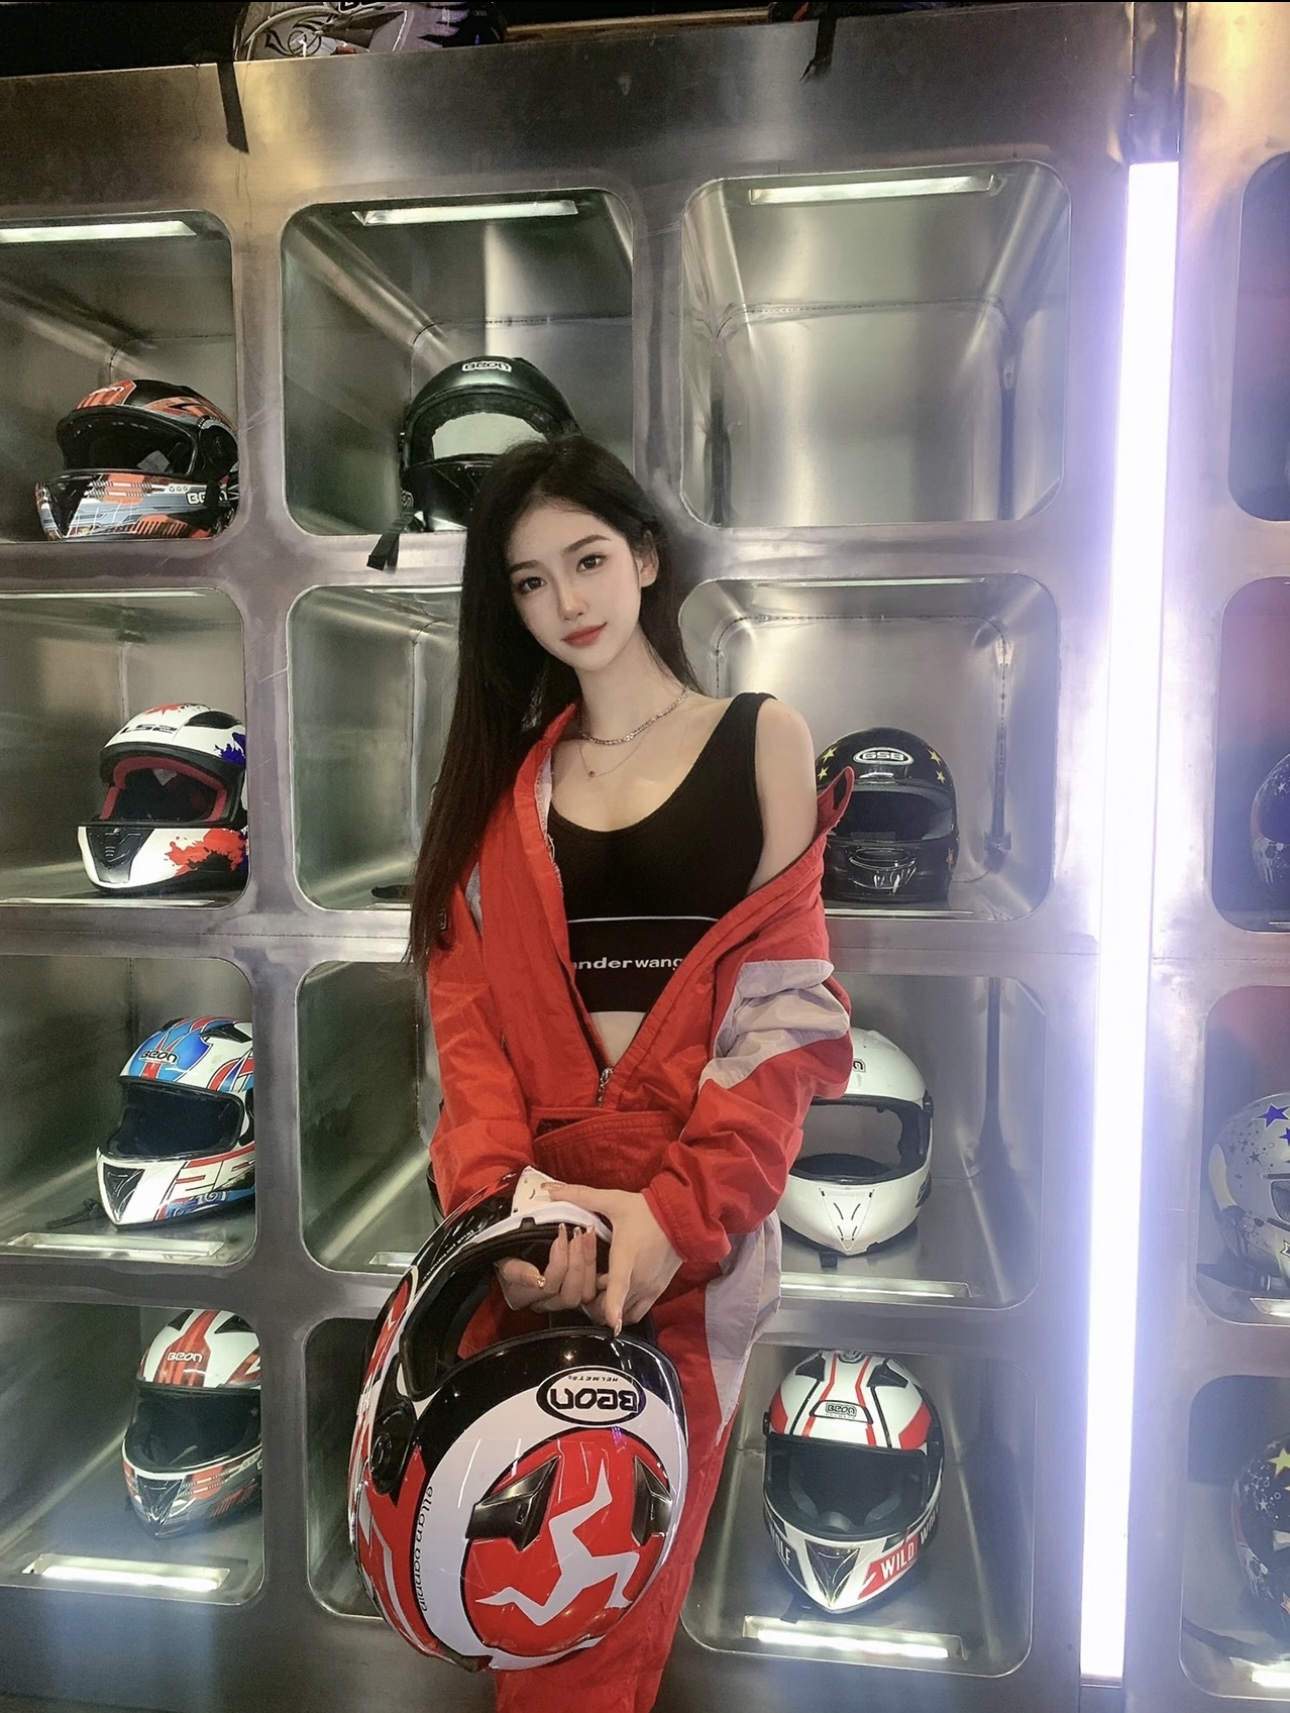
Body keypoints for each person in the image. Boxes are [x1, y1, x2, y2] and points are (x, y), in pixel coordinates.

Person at [409, 435, 854, 1713]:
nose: (567, 601)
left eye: (589, 559)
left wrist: (671, 1220)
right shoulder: (504, 790)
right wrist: (502, 1220)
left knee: (610, 1595)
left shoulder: (760, 739)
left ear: (647, 559)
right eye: (530, 581)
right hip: (535, 1244)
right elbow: (470, 1034)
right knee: (525, 1588)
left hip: (693, 1240)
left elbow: (784, 1020)